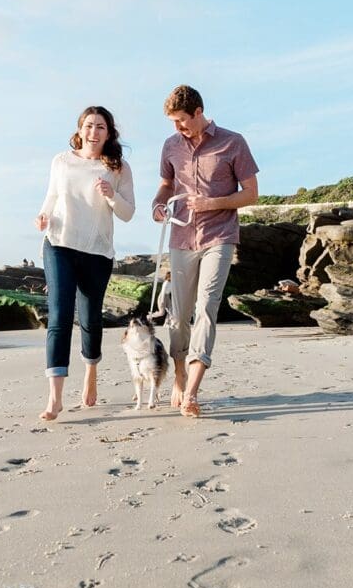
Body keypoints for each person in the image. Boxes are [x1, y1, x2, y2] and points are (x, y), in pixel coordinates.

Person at [152, 85, 258, 417]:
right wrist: (158, 205)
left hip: (220, 236)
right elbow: (167, 185)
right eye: (173, 122)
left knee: (207, 307)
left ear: (198, 112)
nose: (177, 128)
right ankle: (179, 374)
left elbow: (251, 193)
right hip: (181, 237)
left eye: (181, 121)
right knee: (179, 315)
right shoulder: (170, 145)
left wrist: (213, 203)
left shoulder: (233, 142)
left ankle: (192, 393)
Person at [35, 106, 135, 420]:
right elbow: (52, 196)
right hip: (58, 243)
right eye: (89, 126)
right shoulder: (61, 161)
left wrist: (110, 196)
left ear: (109, 133)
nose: (94, 132)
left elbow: (128, 212)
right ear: (80, 130)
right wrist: (43, 215)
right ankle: (55, 398)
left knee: (90, 319)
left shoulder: (117, 167)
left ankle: (91, 372)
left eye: (100, 127)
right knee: (60, 315)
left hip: (97, 251)